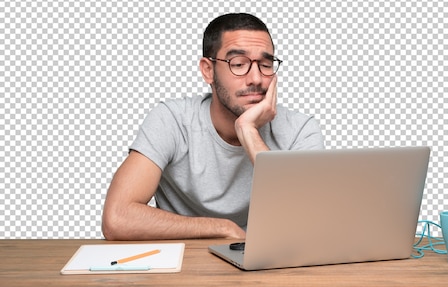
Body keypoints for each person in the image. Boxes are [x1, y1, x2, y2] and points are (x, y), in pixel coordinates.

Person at [101, 13, 325, 240]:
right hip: (184, 263)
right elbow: (117, 218)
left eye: (266, 65)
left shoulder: (300, 129)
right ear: (208, 70)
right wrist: (222, 229)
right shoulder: (172, 120)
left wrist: (248, 130)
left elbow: (314, 224)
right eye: (239, 64)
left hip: (270, 263)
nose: (256, 78)